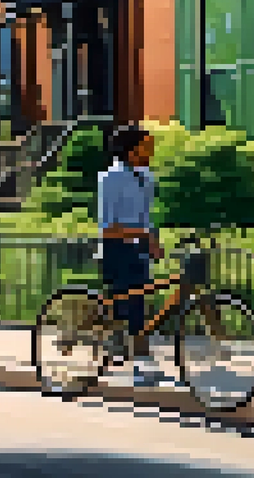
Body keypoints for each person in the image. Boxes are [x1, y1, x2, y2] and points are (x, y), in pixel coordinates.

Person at [97, 123, 162, 387]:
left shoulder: (147, 178)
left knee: (140, 303)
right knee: (121, 303)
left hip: (139, 248)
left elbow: (146, 218)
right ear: (131, 150)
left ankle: (140, 357)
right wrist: (144, 234)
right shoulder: (109, 179)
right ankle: (115, 348)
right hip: (116, 248)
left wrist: (152, 240)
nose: (151, 149)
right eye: (146, 145)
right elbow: (107, 227)